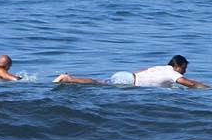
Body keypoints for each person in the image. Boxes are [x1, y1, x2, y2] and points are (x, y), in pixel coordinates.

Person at [53, 55, 208, 88]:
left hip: (128, 75)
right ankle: (67, 79)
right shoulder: (174, 74)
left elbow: (143, 70)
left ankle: (69, 79)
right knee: (96, 83)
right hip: (128, 81)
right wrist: (207, 88)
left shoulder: (162, 68)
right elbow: (189, 83)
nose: (185, 71)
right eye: (184, 68)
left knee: (100, 82)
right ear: (178, 66)